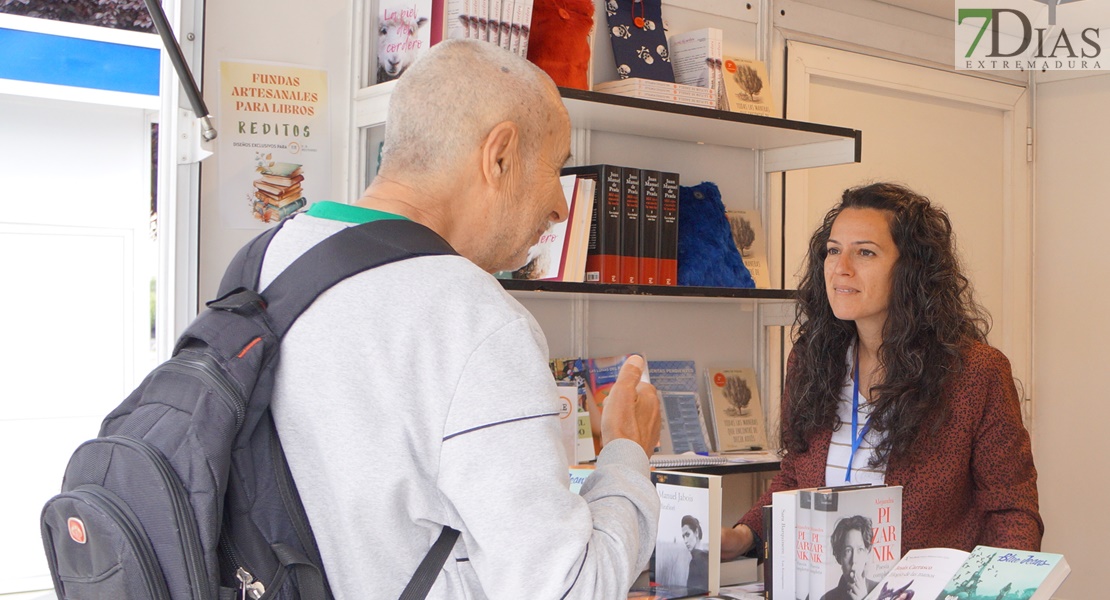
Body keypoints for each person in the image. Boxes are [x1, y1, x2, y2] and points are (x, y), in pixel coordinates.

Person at [262, 39, 662, 599]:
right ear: (499, 155)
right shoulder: (473, 320)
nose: (560, 206)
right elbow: (569, 590)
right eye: (555, 169)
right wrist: (627, 454)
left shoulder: (267, 259)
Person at [720, 182, 1043, 561]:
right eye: (833, 251)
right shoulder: (812, 360)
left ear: (911, 270)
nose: (841, 268)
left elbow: (1011, 511)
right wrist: (744, 535)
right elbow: (795, 477)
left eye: (865, 253)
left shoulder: (975, 373)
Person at [821, 515, 878, 600]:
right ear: (839, 557)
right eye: (848, 551)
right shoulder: (827, 598)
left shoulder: (880, 589)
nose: (854, 560)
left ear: (867, 554)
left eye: (860, 550)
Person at [681, 515, 709, 591]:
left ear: (696, 532)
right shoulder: (708, 556)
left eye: (687, 535)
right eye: (683, 537)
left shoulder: (695, 562)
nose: (685, 541)